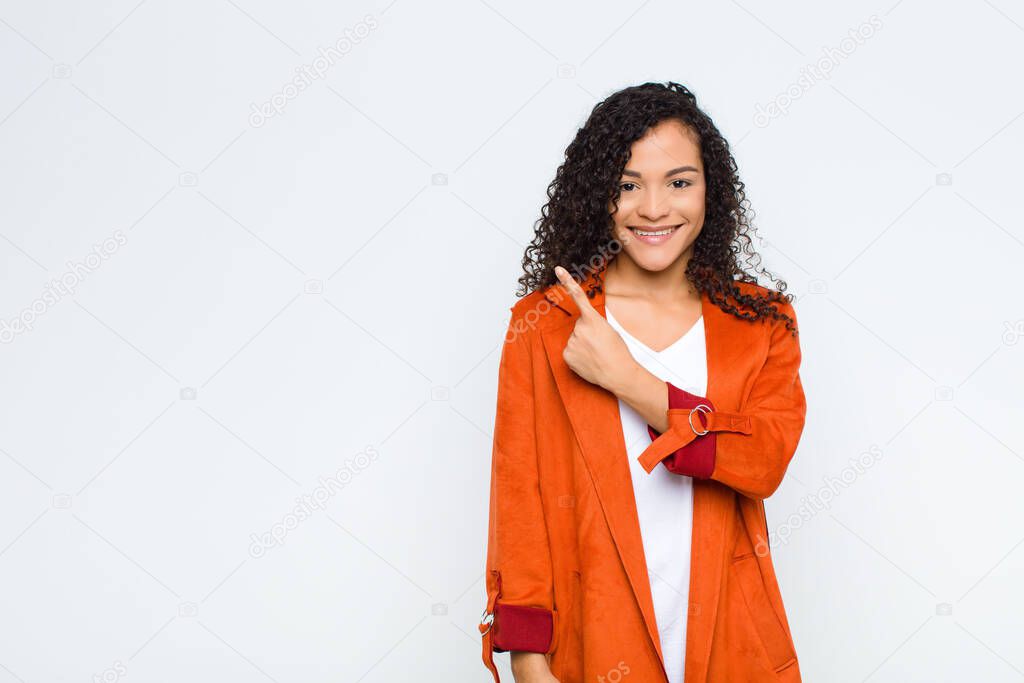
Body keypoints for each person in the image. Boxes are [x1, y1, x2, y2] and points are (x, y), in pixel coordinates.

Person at [480, 82, 807, 683]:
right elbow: (518, 500)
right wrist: (528, 658)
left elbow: (762, 462)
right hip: (594, 638)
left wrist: (629, 380)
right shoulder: (545, 326)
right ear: (596, 196)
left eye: (679, 182)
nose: (654, 208)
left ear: (712, 191)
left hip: (735, 639)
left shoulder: (762, 323)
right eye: (628, 185)